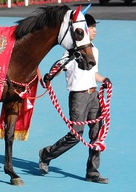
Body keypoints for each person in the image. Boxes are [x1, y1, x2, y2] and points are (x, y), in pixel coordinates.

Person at [38, 14, 112, 184]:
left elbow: (93, 73)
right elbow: (60, 65)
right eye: (91, 27)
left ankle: (92, 172)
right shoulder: (72, 52)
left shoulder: (94, 50)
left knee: (97, 133)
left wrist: (104, 80)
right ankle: (46, 154)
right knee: (75, 135)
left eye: (95, 28)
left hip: (93, 95)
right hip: (78, 97)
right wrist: (49, 77)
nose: (94, 31)